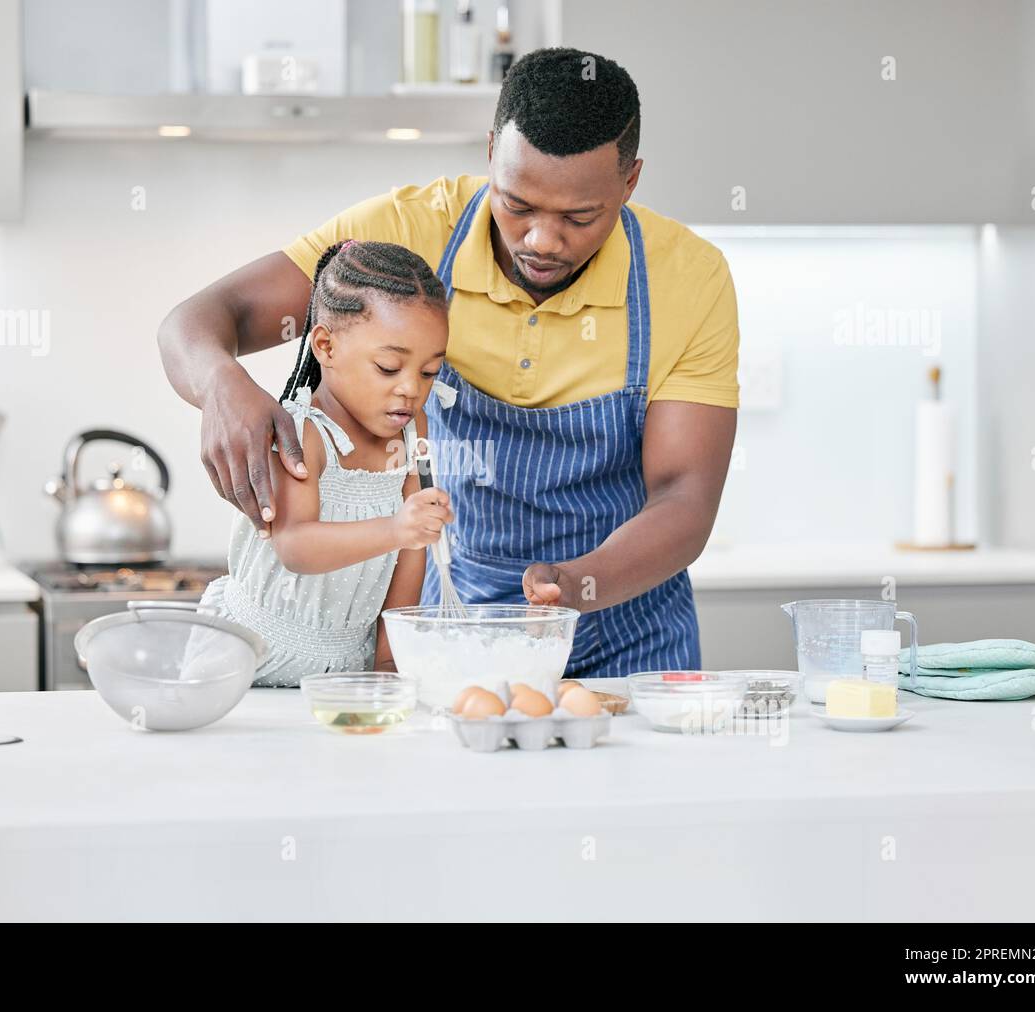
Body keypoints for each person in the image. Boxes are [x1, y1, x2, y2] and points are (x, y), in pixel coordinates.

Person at [160, 48, 739, 678]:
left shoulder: (688, 278)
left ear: (629, 183)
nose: (542, 240)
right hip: (453, 628)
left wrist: (577, 585)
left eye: (579, 216)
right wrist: (220, 380)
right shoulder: (411, 229)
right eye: (516, 204)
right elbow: (201, 319)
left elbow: (684, 496)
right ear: (491, 153)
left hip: (633, 636)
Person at [186, 240, 454, 686]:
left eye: (429, 373)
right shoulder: (302, 432)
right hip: (248, 657)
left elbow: (411, 559)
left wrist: (387, 664)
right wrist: (396, 528)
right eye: (389, 367)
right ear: (326, 347)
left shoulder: (412, 431)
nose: (412, 388)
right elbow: (295, 546)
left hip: (346, 664)